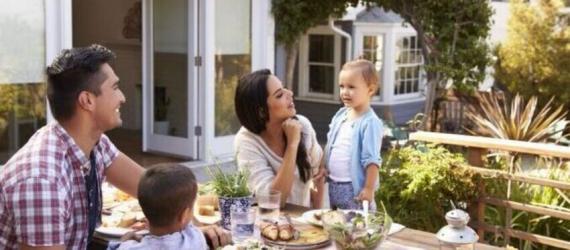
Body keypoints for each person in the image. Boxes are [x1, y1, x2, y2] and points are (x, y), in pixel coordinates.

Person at [0, 45, 229, 250]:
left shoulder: (93, 142)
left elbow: (154, 189)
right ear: (87, 101)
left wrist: (192, 228)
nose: (123, 97)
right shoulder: (41, 180)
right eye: (115, 87)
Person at [234, 69, 325, 208]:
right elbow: (273, 202)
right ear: (261, 111)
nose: (290, 94)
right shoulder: (247, 141)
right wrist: (292, 144)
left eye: (284, 89)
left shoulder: (303, 125)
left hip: (305, 225)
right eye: (280, 94)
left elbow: (319, 175)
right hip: (269, 225)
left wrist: (318, 216)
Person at [108, 164, 225, 250]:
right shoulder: (194, 239)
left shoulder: (130, 248)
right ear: (184, 215)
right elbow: (191, 227)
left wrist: (124, 242)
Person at [324, 59, 383, 210]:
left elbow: (372, 161)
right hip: (333, 185)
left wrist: (369, 189)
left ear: (370, 90)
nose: (344, 92)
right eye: (341, 86)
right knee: (336, 227)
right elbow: (331, 144)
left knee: (356, 230)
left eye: (351, 87)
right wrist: (324, 166)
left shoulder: (370, 122)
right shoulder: (341, 115)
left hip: (354, 191)